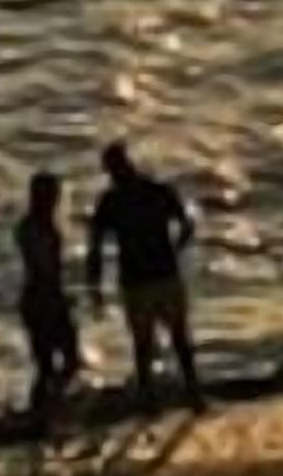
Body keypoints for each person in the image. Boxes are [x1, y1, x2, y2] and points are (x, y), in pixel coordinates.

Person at [86, 137, 205, 413]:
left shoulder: (111, 201)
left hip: (138, 279)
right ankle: (191, 394)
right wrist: (176, 248)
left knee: (147, 343)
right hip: (161, 273)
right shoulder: (156, 191)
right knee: (175, 339)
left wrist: (96, 286)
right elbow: (186, 225)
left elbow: (96, 246)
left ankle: (152, 399)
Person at [13, 167, 81, 436]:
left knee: (57, 362)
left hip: (43, 297)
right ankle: (43, 413)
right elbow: (43, 266)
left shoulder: (40, 224)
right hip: (42, 300)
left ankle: (45, 410)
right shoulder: (33, 227)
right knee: (51, 363)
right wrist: (58, 297)